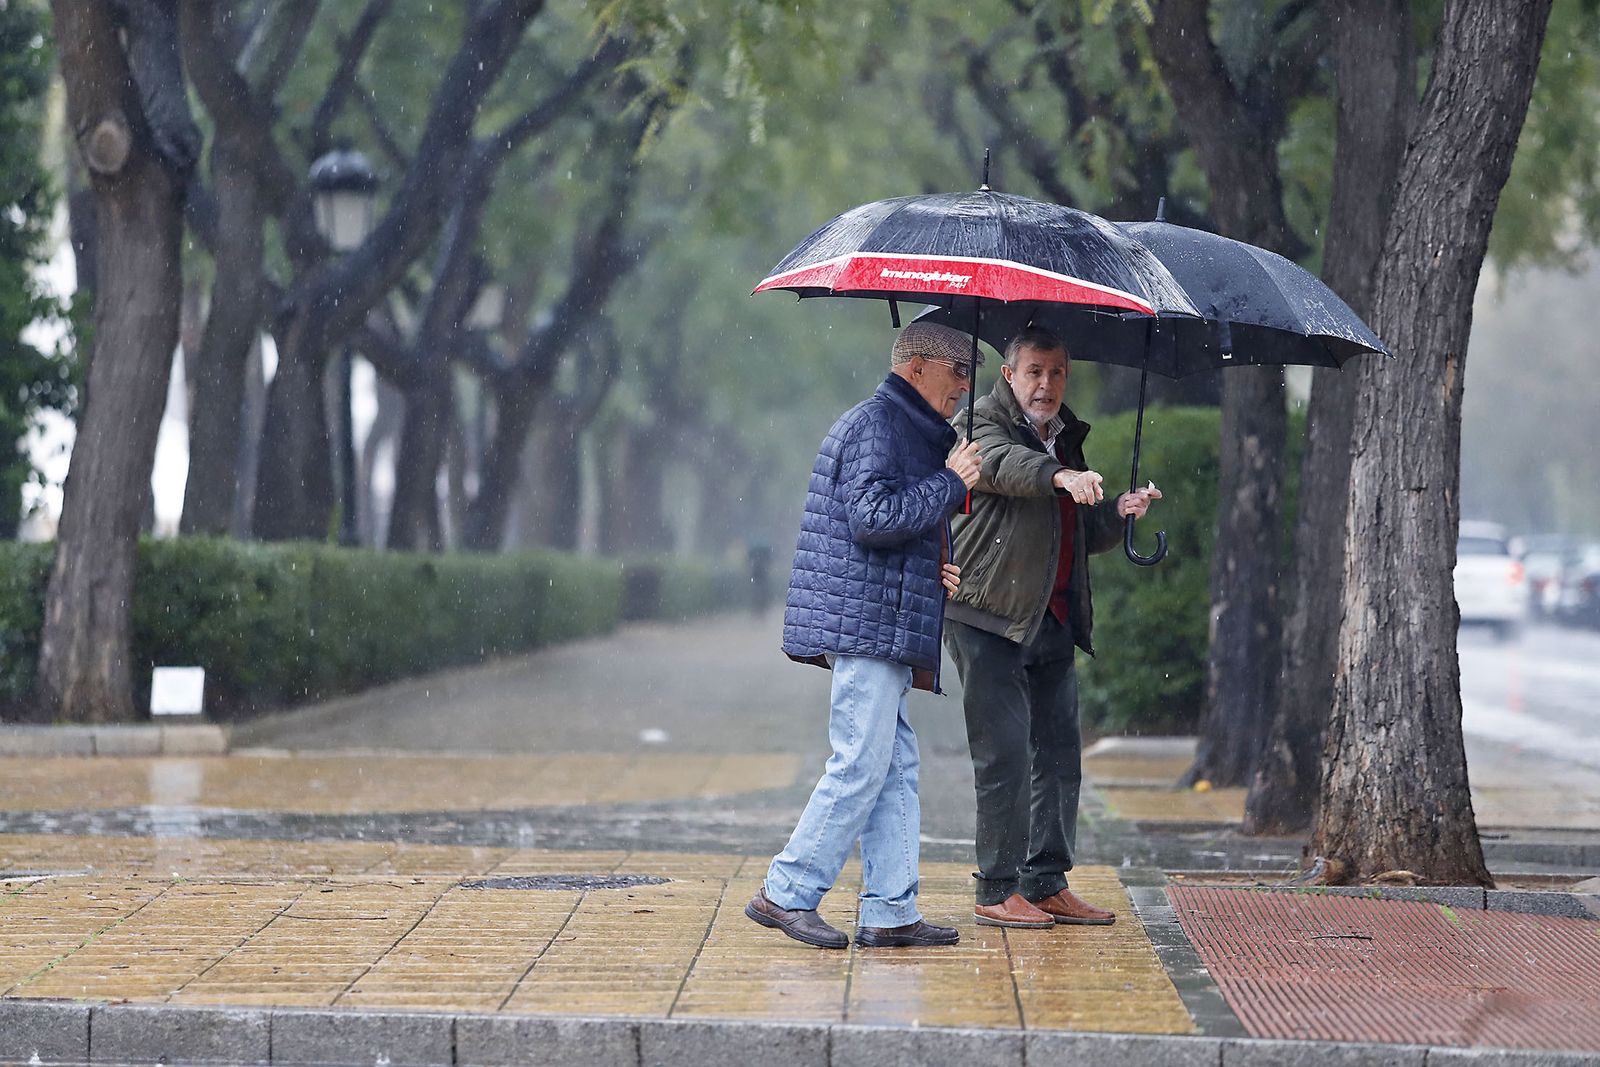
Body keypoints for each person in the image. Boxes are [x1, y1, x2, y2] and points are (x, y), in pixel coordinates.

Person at [746, 321, 983, 950]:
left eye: (969, 371)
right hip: (868, 627)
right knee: (860, 763)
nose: (965, 385)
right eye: (958, 369)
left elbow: (886, 530)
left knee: (896, 766)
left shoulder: (906, 430)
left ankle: (890, 909)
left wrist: (933, 567)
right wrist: (954, 483)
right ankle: (787, 891)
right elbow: (873, 517)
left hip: (881, 621)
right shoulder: (879, 426)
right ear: (917, 366)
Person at [944, 326, 1162, 930]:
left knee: (1061, 757)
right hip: (987, 614)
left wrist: (1116, 512)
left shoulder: (1066, 435)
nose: (1047, 385)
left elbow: (1071, 533)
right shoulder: (977, 423)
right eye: (1035, 372)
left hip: (1053, 617)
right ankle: (996, 887)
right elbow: (1001, 469)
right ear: (1009, 374)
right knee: (1005, 756)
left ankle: (1045, 882)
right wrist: (1060, 476)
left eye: (1057, 372)